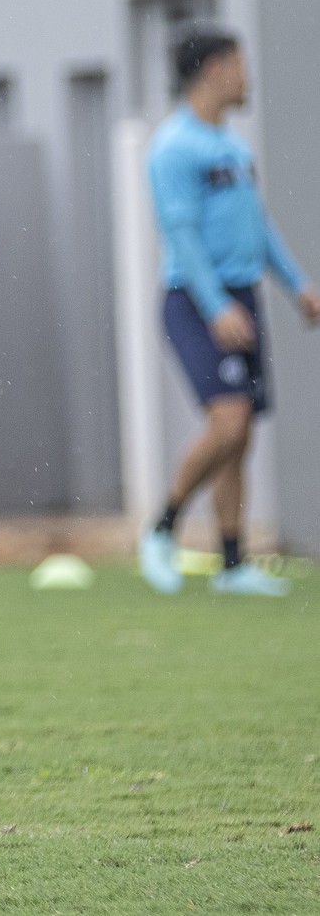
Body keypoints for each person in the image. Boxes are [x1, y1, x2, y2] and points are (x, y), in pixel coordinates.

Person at [137, 29, 320, 596]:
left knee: (241, 437)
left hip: (242, 297)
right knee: (229, 421)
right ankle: (162, 530)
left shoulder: (233, 147)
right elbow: (182, 236)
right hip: (195, 301)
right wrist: (215, 306)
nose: (247, 76)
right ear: (215, 69)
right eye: (241, 65)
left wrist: (297, 284)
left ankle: (233, 564)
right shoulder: (173, 148)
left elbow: (255, 226)